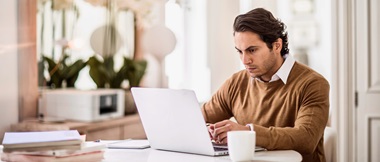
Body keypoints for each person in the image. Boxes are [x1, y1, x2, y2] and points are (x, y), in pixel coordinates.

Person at [201, 8, 329, 162]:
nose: (245, 60)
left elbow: (306, 138)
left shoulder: (313, 84)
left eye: (252, 50)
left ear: (276, 46)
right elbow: (199, 118)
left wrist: (248, 132)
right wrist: (209, 130)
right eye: (240, 52)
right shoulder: (236, 82)